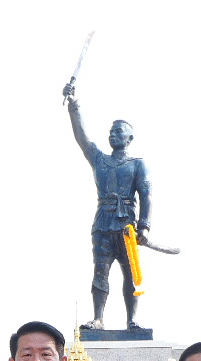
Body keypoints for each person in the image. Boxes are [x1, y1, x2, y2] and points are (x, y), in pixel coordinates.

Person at [62, 83, 151, 332]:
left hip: (127, 225)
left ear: (129, 138)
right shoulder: (99, 160)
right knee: (100, 270)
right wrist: (73, 105)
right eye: (111, 131)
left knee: (131, 271)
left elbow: (146, 195)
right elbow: (82, 137)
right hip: (102, 221)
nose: (112, 134)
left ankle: (132, 320)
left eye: (118, 131)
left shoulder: (137, 164)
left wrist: (144, 226)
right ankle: (98, 318)